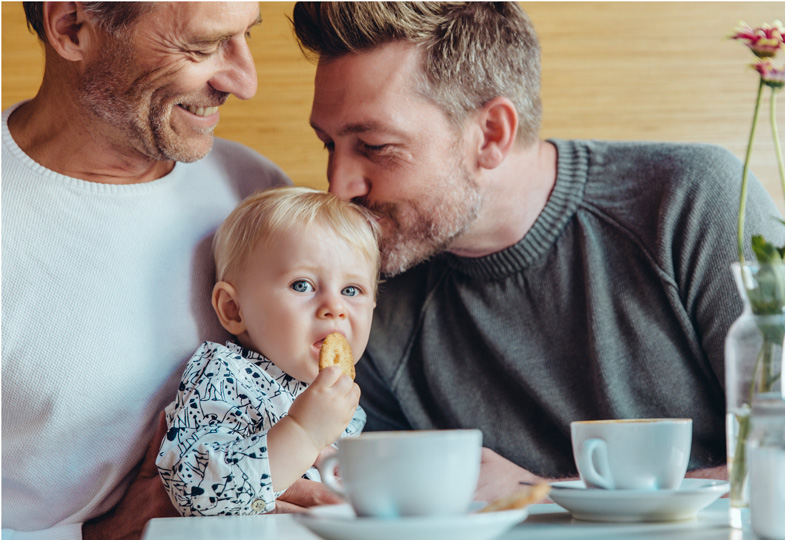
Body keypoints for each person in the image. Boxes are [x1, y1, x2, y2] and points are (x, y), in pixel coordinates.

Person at [291, 1, 785, 500]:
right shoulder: (361, 294)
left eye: (374, 146)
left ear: (491, 135)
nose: (338, 188)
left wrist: (544, 495)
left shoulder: (692, 203)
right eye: (328, 144)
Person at [2, 3, 332, 538]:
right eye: (202, 47)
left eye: (245, 36)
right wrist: (104, 535)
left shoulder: (257, 195)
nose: (244, 81)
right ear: (71, 27)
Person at [156, 186, 379, 515]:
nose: (335, 307)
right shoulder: (224, 377)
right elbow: (197, 491)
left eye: (351, 289)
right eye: (302, 285)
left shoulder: (347, 403)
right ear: (234, 309)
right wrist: (303, 433)